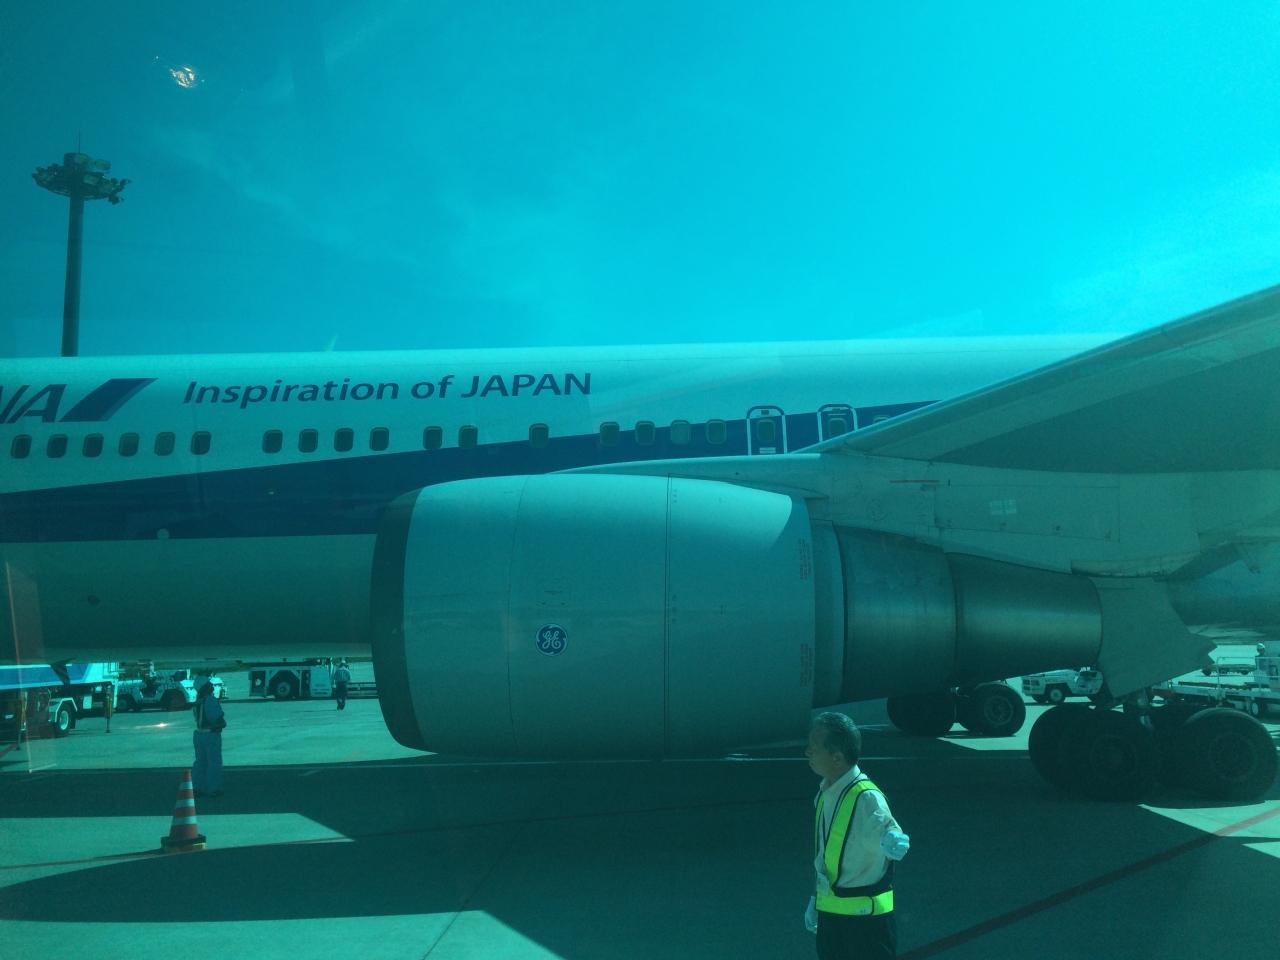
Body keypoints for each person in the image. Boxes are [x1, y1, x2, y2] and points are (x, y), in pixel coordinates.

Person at [804, 711, 910, 959]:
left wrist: (895, 841)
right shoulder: (824, 794)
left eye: (814, 747)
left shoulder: (866, 798)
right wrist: (816, 899)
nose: (807, 752)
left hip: (866, 928)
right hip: (832, 920)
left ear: (837, 757)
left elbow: (890, 832)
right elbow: (826, 859)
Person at [192, 681, 226, 797]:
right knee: (214, 762)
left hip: (199, 734)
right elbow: (216, 717)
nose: (211, 685)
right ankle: (214, 788)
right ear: (204, 687)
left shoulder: (198, 701)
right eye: (208, 684)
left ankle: (197, 787)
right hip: (210, 735)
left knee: (200, 762)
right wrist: (221, 724)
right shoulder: (210, 700)